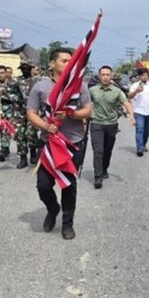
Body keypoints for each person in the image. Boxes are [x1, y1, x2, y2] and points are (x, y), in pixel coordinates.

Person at [27, 48, 92, 241]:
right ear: (52, 64)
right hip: (48, 143)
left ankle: (67, 224)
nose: (68, 64)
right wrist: (45, 125)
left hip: (73, 142)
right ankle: (52, 208)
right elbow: (31, 112)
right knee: (43, 185)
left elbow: (88, 111)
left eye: (71, 61)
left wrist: (72, 114)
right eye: (64, 61)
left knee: (69, 186)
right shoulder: (40, 87)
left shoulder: (79, 86)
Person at [89, 65, 134, 189]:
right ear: (99, 76)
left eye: (107, 75)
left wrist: (131, 116)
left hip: (111, 125)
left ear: (111, 76)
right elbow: (86, 104)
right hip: (96, 124)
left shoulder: (117, 91)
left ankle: (104, 169)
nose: (105, 77)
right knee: (98, 151)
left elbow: (126, 103)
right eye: (103, 75)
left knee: (107, 151)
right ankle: (98, 177)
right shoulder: (92, 90)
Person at [17, 61, 41, 166]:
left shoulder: (36, 81)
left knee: (31, 133)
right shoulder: (16, 81)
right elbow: (8, 93)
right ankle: (23, 158)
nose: (25, 70)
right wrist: (17, 99)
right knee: (20, 134)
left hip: (33, 111)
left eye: (27, 68)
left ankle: (33, 153)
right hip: (20, 112)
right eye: (23, 68)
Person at [0, 65, 14, 161]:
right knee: (1, 129)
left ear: (6, 73)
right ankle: (6, 147)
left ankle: (3, 149)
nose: (1, 75)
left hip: (11, 108)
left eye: (2, 73)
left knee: (6, 128)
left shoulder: (13, 83)